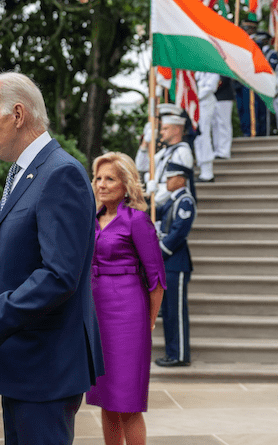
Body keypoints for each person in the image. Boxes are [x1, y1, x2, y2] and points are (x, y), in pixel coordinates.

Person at [0, 72, 104, 445]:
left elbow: (58, 277)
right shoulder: (26, 172)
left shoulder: (61, 174)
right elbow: (18, 267)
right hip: (29, 364)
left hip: (45, 366)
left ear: (19, 114)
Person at [86, 152, 166, 445]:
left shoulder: (137, 221)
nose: (101, 184)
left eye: (109, 178)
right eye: (98, 178)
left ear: (126, 183)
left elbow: (157, 278)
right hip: (97, 316)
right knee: (106, 398)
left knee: (128, 401)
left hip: (129, 317)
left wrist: (149, 323)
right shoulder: (92, 220)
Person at [154, 162, 196, 368]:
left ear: (181, 179)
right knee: (169, 312)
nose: (167, 181)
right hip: (169, 263)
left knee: (176, 312)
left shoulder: (185, 201)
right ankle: (172, 352)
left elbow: (179, 231)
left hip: (176, 262)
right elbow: (156, 212)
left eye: (170, 178)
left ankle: (179, 354)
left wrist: (160, 251)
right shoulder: (173, 200)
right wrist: (147, 197)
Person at [141, 113, 196, 207]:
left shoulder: (182, 152)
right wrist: (145, 144)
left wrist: (154, 199)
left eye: (165, 128)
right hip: (160, 205)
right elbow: (142, 166)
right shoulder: (164, 152)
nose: (161, 132)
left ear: (177, 130)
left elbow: (176, 184)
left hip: (173, 205)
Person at [194, 71, 220, 182]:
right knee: (198, 137)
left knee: (204, 135)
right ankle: (202, 168)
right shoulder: (199, 72)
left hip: (206, 102)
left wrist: (196, 96)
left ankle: (207, 172)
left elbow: (211, 87)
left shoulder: (213, 72)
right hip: (197, 104)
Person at [212, 76, 235, 159]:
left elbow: (224, 78)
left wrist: (213, 85)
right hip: (213, 97)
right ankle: (217, 149)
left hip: (224, 96)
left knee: (224, 123)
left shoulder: (225, 63)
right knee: (215, 125)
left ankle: (224, 150)